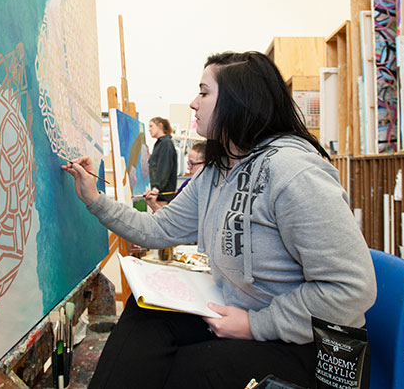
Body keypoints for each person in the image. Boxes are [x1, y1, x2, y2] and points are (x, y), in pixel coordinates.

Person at [61, 51, 376, 389]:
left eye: (204, 92)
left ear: (238, 101)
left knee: (185, 370)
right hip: (243, 319)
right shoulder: (218, 170)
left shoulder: (293, 171)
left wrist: (256, 325)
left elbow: (351, 290)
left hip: (308, 349)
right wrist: (94, 198)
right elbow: (159, 228)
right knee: (144, 315)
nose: (194, 103)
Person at [145, 141, 205, 212]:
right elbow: (172, 217)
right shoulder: (188, 184)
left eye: (192, 163)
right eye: (188, 163)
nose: (188, 168)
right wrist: (153, 205)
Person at [147, 117, 178, 204]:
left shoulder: (166, 143)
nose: (149, 129)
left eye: (151, 126)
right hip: (159, 193)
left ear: (160, 126)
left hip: (163, 194)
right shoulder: (160, 143)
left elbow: (164, 168)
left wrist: (156, 189)